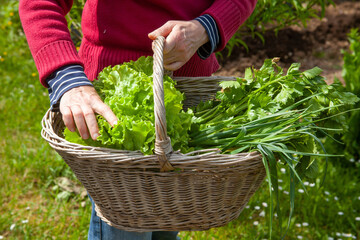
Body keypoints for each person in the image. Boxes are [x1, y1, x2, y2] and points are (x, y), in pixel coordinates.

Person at [19, 0, 257, 239]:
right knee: (126, 228)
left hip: (187, 96)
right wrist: (67, 77)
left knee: (166, 220)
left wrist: (206, 28)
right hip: (112, 100)